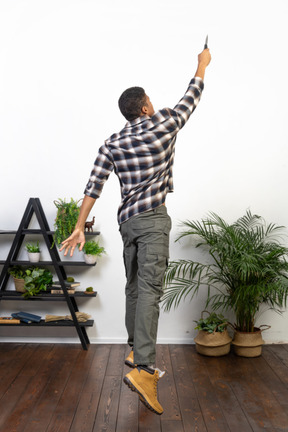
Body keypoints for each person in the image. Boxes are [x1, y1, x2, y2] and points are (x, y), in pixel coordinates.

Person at [60, 47, 211, 415]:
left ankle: (133, 348)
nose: (155, 105)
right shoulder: (165, 123)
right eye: (150, 101)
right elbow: (192, 95)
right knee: (150, 292)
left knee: (133, 287)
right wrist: (202, 64)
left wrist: (79, 226)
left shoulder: (112, 142)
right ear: (144, 108)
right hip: (154, 219)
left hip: (126, 221)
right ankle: (144, 370)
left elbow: (92, 186)